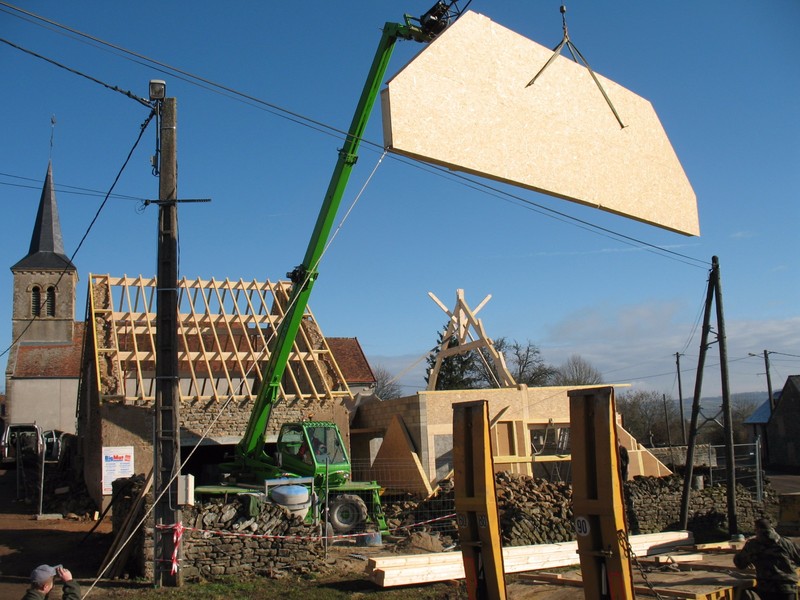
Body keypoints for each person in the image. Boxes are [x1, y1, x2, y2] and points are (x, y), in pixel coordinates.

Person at [734, 518, 800, 599]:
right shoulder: (786, 542)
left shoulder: (752, 545)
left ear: (757, 529)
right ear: (771, 528)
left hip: (767, 589)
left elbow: (740, 564)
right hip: (787, 588)